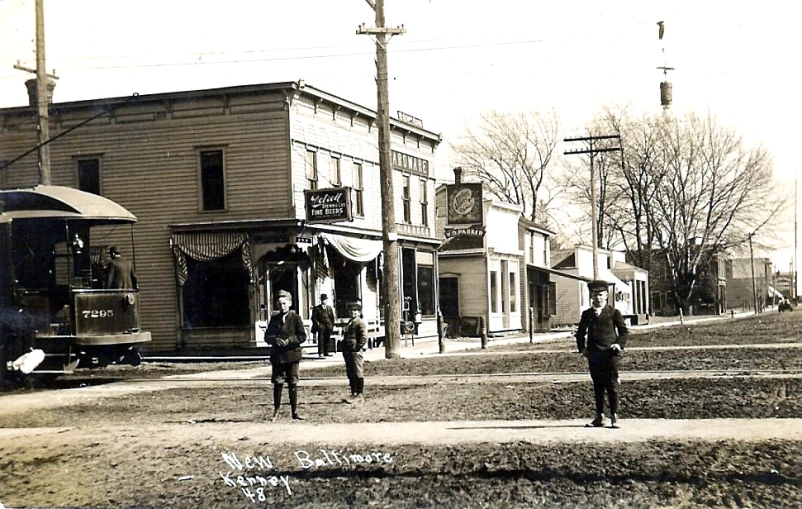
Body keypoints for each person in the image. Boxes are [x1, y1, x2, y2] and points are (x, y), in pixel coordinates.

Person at [575, 279, 629, 429]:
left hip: (609, 355)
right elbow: (580, 334)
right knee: (597, 386)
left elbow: (623, 332)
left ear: (606, 295)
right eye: (594, 294)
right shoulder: (587, 314)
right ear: (590, 296)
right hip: (594, 355)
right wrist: (583, 349)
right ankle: (600, 416)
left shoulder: (613, 313)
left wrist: (619, 344)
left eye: (601, 294)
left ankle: (614, 416)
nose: (598, 298)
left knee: (611, 386)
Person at [264, 290, 307, 421]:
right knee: (278, 383)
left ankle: (294, 411)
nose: (282, 306)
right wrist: (274, 339)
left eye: (284, 303)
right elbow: (267, 336)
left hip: (292, 356)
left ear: (290, 303)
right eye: (279, 304)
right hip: (278, 356)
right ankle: (276, 411)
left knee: (293, 383)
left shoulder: (296, 318)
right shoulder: (274, 319)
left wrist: (290, 340)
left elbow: (302, 336)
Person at [340, 301, 368, 404]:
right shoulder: (349, 322)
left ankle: (360, 394)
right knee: (350, 372)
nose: (353, 313)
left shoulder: (359, 322)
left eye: (356, 311)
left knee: (357, 371)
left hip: (355, 351)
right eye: (351, 311)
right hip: (348, 350)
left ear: (359, 312)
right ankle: (353, 393)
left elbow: (363, 337)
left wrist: (357, 347)